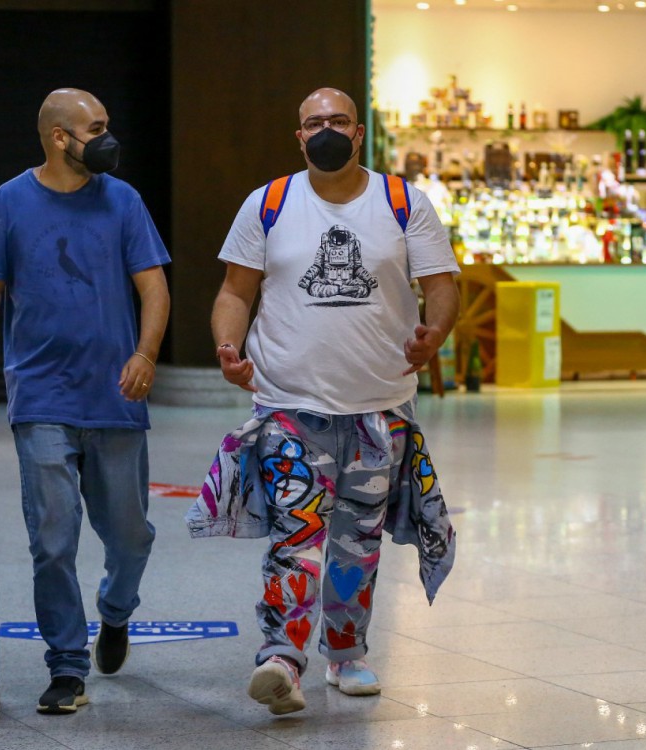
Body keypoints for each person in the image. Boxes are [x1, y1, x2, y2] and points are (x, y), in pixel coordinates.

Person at [185, 87, 459, 715]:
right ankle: (282, 656)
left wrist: (434, 335)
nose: (327, 130)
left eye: (339, 120)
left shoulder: (402, 201)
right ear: (299, 137)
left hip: (378, 407)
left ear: (359, 133)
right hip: (289, 404)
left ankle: (347, 653)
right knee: (296, 532)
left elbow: (441, 285)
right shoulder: (269, 204)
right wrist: (229, 346)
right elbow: (234, 291)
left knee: (358, 542)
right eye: (315, 123)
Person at [0, 88, 170, 715]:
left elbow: (154, 289)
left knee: (128, 535)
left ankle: (117, 610)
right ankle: (68, 665)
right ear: (58, 137)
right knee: (51, 539)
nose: (107, 138)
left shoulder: (123, 202)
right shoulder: (10, 201)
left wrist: (146, 354)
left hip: (116, 395)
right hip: (41, 393)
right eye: (94, 128)